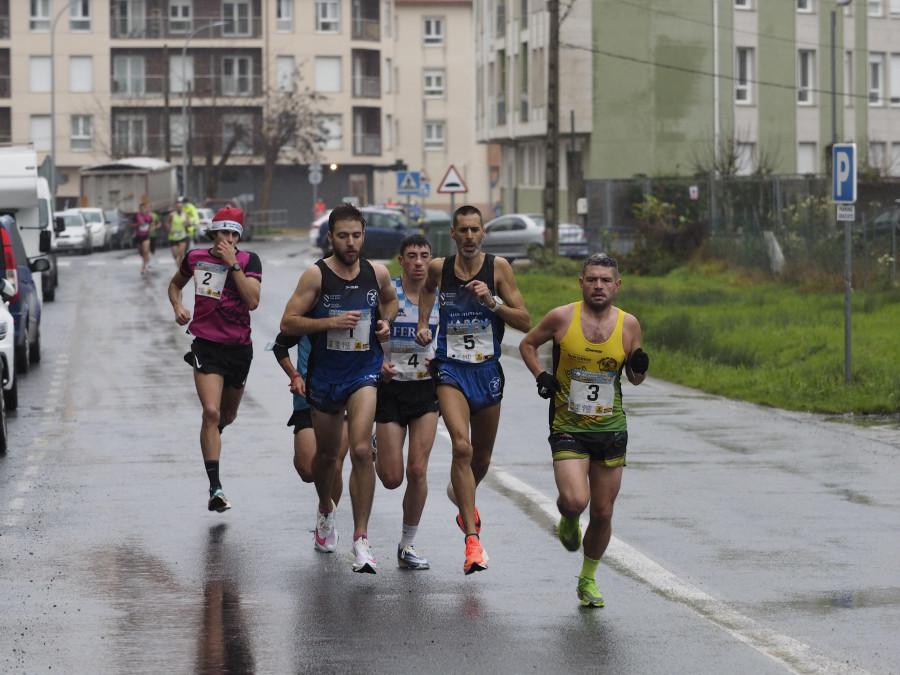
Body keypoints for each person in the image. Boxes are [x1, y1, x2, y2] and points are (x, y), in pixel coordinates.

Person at [518, 253, 649, 608]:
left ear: (617, 285)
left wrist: (639, 366)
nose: (598, 286)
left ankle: (588, 578)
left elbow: (635, 380)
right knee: (577, 500)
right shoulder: (562, 317)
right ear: (581, 282)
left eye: (606, 280)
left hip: (611, 427)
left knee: (604, 513)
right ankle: (569, 515)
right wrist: (542, 376)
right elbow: (527, 344)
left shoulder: (628, 324)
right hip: (568, 425)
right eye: (592, 279)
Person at [279, 202, 398, 574]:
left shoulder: (376, 272)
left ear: (364, 235)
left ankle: (361, 539)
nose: (351, 242)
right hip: (324, 377)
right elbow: (288, 322)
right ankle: (325, 512)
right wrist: (329, 321)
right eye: (343, 236)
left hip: (363, 371)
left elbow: (390, 301)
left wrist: (385, 324)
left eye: (356, 235)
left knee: (362, 449)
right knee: (328, 460)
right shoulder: (316, 276)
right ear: (331, 237)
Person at [414, 205, 531, 574]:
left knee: (480, 459)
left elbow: (525, 320)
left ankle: (460, 495)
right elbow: (427, 292)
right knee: (461, 448)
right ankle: (472, 540)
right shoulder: (439, 268)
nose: (468, 236)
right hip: (451, 367)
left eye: (474, 230)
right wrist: (423, 324)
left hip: (487, 371)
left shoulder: (498, 268)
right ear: (452, 233)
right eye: (462, 230)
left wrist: (491, 302)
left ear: (483, 234)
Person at [167, 207, 262, 513]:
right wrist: (178, 307)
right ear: (214, 233)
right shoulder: (195, 258)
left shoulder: (249, 261)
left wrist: (233, 265)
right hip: (206, 345)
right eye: (224, 234)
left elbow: (253, 301)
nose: (229, 240)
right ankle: (215, 489)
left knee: (226, 416)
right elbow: (174, 285)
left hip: (238, 349)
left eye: (235, 235)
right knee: (210, 412)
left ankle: (212, 438)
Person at [374, 233, 440, 570]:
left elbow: (452, 341)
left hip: (426, 391)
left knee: (417, 470)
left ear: (432, 259)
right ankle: (377, 442)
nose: (418, 262)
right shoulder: (390, 294)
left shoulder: (439, 296)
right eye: (412, 256)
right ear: (401, 260)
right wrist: (378, 364)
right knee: (391, 478)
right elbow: (370, 335)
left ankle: (407, 544)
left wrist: (439, 361)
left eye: (424, 255)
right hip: (391, 388)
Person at [269, 333, 349, 528]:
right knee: (308, 471)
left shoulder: (351, 309)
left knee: (334, 464)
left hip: (344, 393)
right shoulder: (306, 313)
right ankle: (305, 452)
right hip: (307, 397)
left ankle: (327, 520)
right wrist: (294, 375)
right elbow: (279, 345)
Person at [132, 202, 157, 275]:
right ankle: (146, 260)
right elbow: (131, 225)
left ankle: (143, 267)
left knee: (146, 251)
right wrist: (138, 224)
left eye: (145, 208)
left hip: (146, 236)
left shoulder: (149, 216)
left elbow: (152, 224)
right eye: (142, 208)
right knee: (141, 253)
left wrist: (152, 227)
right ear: (140, 209)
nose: (144, 209)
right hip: (138, 236)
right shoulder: (136, 216)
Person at [166, 197, 191, 267]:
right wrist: (170, 229)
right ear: (175, 207)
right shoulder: (171, 215)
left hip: (182, 236)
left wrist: (187, 223)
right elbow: (167, 223)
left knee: (181, 253)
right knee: (175, 255)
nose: (179, 208)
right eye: (177, 206)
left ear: (182, 207)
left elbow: (189, 224)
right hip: (173, 237)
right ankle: (179, 265)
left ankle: (180, 269)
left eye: (180, 206)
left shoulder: (185, 214)